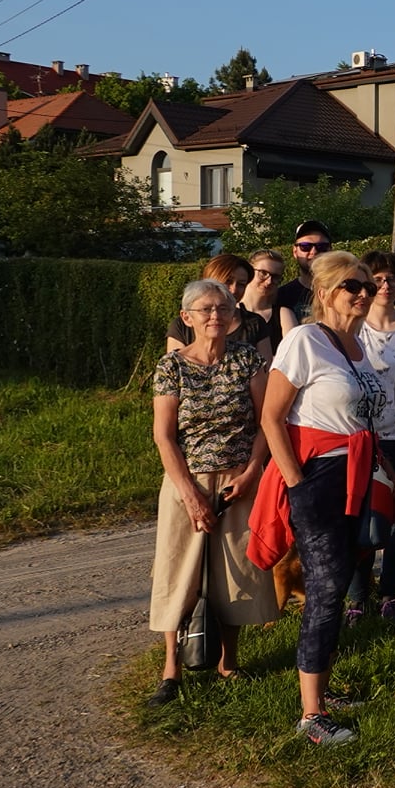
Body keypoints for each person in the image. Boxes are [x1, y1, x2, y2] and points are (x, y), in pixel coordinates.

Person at [251, 251, 391, 746]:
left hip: (353, 474)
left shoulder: (356, 346)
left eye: (368, 287)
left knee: (338, 582)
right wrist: (296, 485)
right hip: (317, 476)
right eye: (353, 286)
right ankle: (311, 717)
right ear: (326, 292)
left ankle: (324, 693)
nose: (363, 293)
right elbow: (273, 417)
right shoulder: (304, 340)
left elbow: (363, 419)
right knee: (328, 588)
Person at [147, 279, 280, 704]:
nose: (215, 317)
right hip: (187, 477)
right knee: (178, 568)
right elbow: (164, 436)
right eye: (205, 310)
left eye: (222, 309)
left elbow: (266, 422)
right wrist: (187, 491)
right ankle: (171, 668)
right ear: (187, 318)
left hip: (239, 480)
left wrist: (253, 471)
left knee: (236, 570)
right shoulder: (172, 366)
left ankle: (228, 662)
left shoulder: (247, 361)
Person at [345, 249, 395, 626]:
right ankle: (357, 600)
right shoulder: (352, 329)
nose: (384, 286)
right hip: (366, 438)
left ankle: (389, 595)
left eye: (391, 279)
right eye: (376, 280)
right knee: (364, 517)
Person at [164, 253, 271, 358]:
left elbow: (266, 370)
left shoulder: (255, 324)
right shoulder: (181, 326)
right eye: (228, 281)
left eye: (241, 284)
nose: (233, 289)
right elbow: (178, 367)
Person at [277, 219, 333, 339]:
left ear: (330, 250)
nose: (314, 252)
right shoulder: (281, 296)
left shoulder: (344, 291)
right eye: (305, 246)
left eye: (322, 247)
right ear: (295, 251)